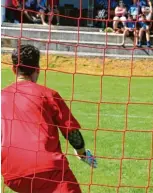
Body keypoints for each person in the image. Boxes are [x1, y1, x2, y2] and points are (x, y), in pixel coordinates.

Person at [1, 44, 97, 193]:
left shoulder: (2, 96)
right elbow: (72, 133)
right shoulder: (48, 94)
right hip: (47, 168)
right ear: (37, 69)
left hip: (12, 174)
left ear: (14, 69)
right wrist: (82, 153)